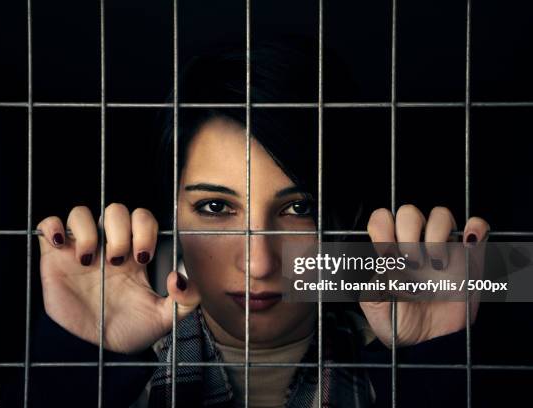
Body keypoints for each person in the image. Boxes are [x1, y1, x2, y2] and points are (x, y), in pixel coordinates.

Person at [30, 40, 491, 408]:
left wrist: (440, 360)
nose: (258, 262)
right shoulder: (115, 378)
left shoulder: (405, 376)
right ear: (171, 215)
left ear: (345, 218)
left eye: (298, 207)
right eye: (215, 207)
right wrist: (78, 358)